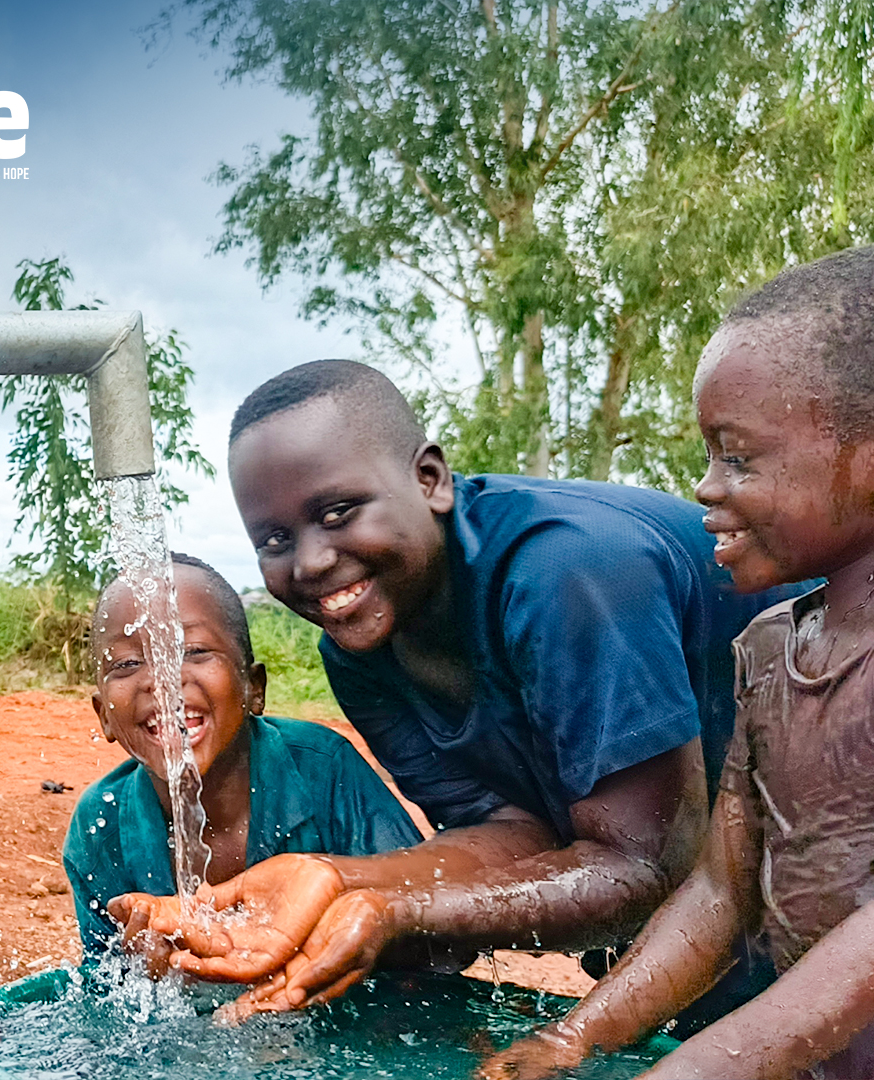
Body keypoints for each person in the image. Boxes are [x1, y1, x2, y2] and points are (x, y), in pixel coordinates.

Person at [124, 354, 807, 1024]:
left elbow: (647, 867)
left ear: (430, 479)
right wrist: (330, 878)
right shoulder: (361, 648)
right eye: (274, 538)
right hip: (725, 878)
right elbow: (514, 834)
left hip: (826, 836)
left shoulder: (566, 573)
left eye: (338, 512)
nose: (311, 561)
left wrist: (393, 913)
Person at [480, 247, 874, 1080]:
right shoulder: (769, 653)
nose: (705, 487)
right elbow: (721, 892)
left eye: (736, 456)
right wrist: (574, 1037)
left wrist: (700, 1068)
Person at [62, 552, 422, 965]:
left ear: (253, 687)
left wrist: (336, 923)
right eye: (127, 663)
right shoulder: (100, 826)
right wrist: (138, 972)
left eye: (193, 650)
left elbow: (435, 928)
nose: (161, 680)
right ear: (103, 715)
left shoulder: (325, 771)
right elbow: (100, 989)